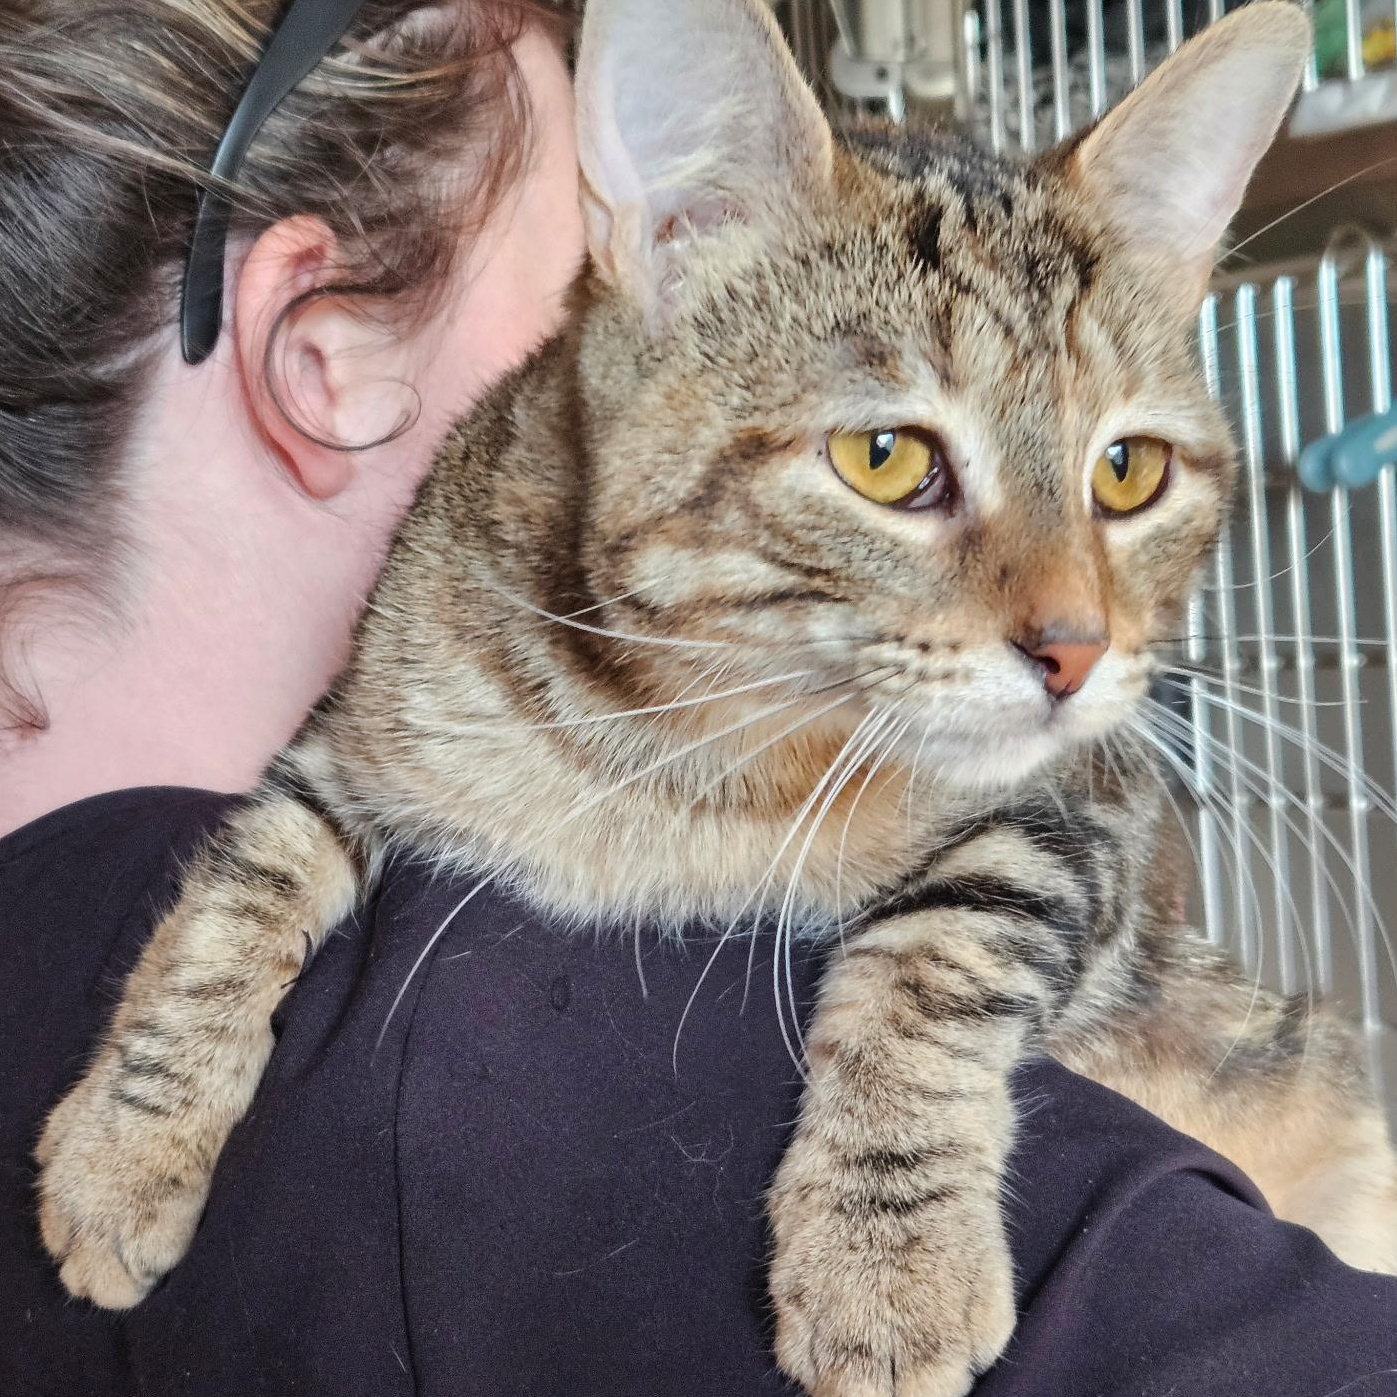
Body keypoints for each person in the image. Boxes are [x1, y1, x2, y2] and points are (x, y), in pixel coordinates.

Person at [2, 3, 1396, 1395]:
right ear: (315, 351)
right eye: (571, 272)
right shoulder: (464, 1075)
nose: (1067, 622)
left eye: (1125, 478)